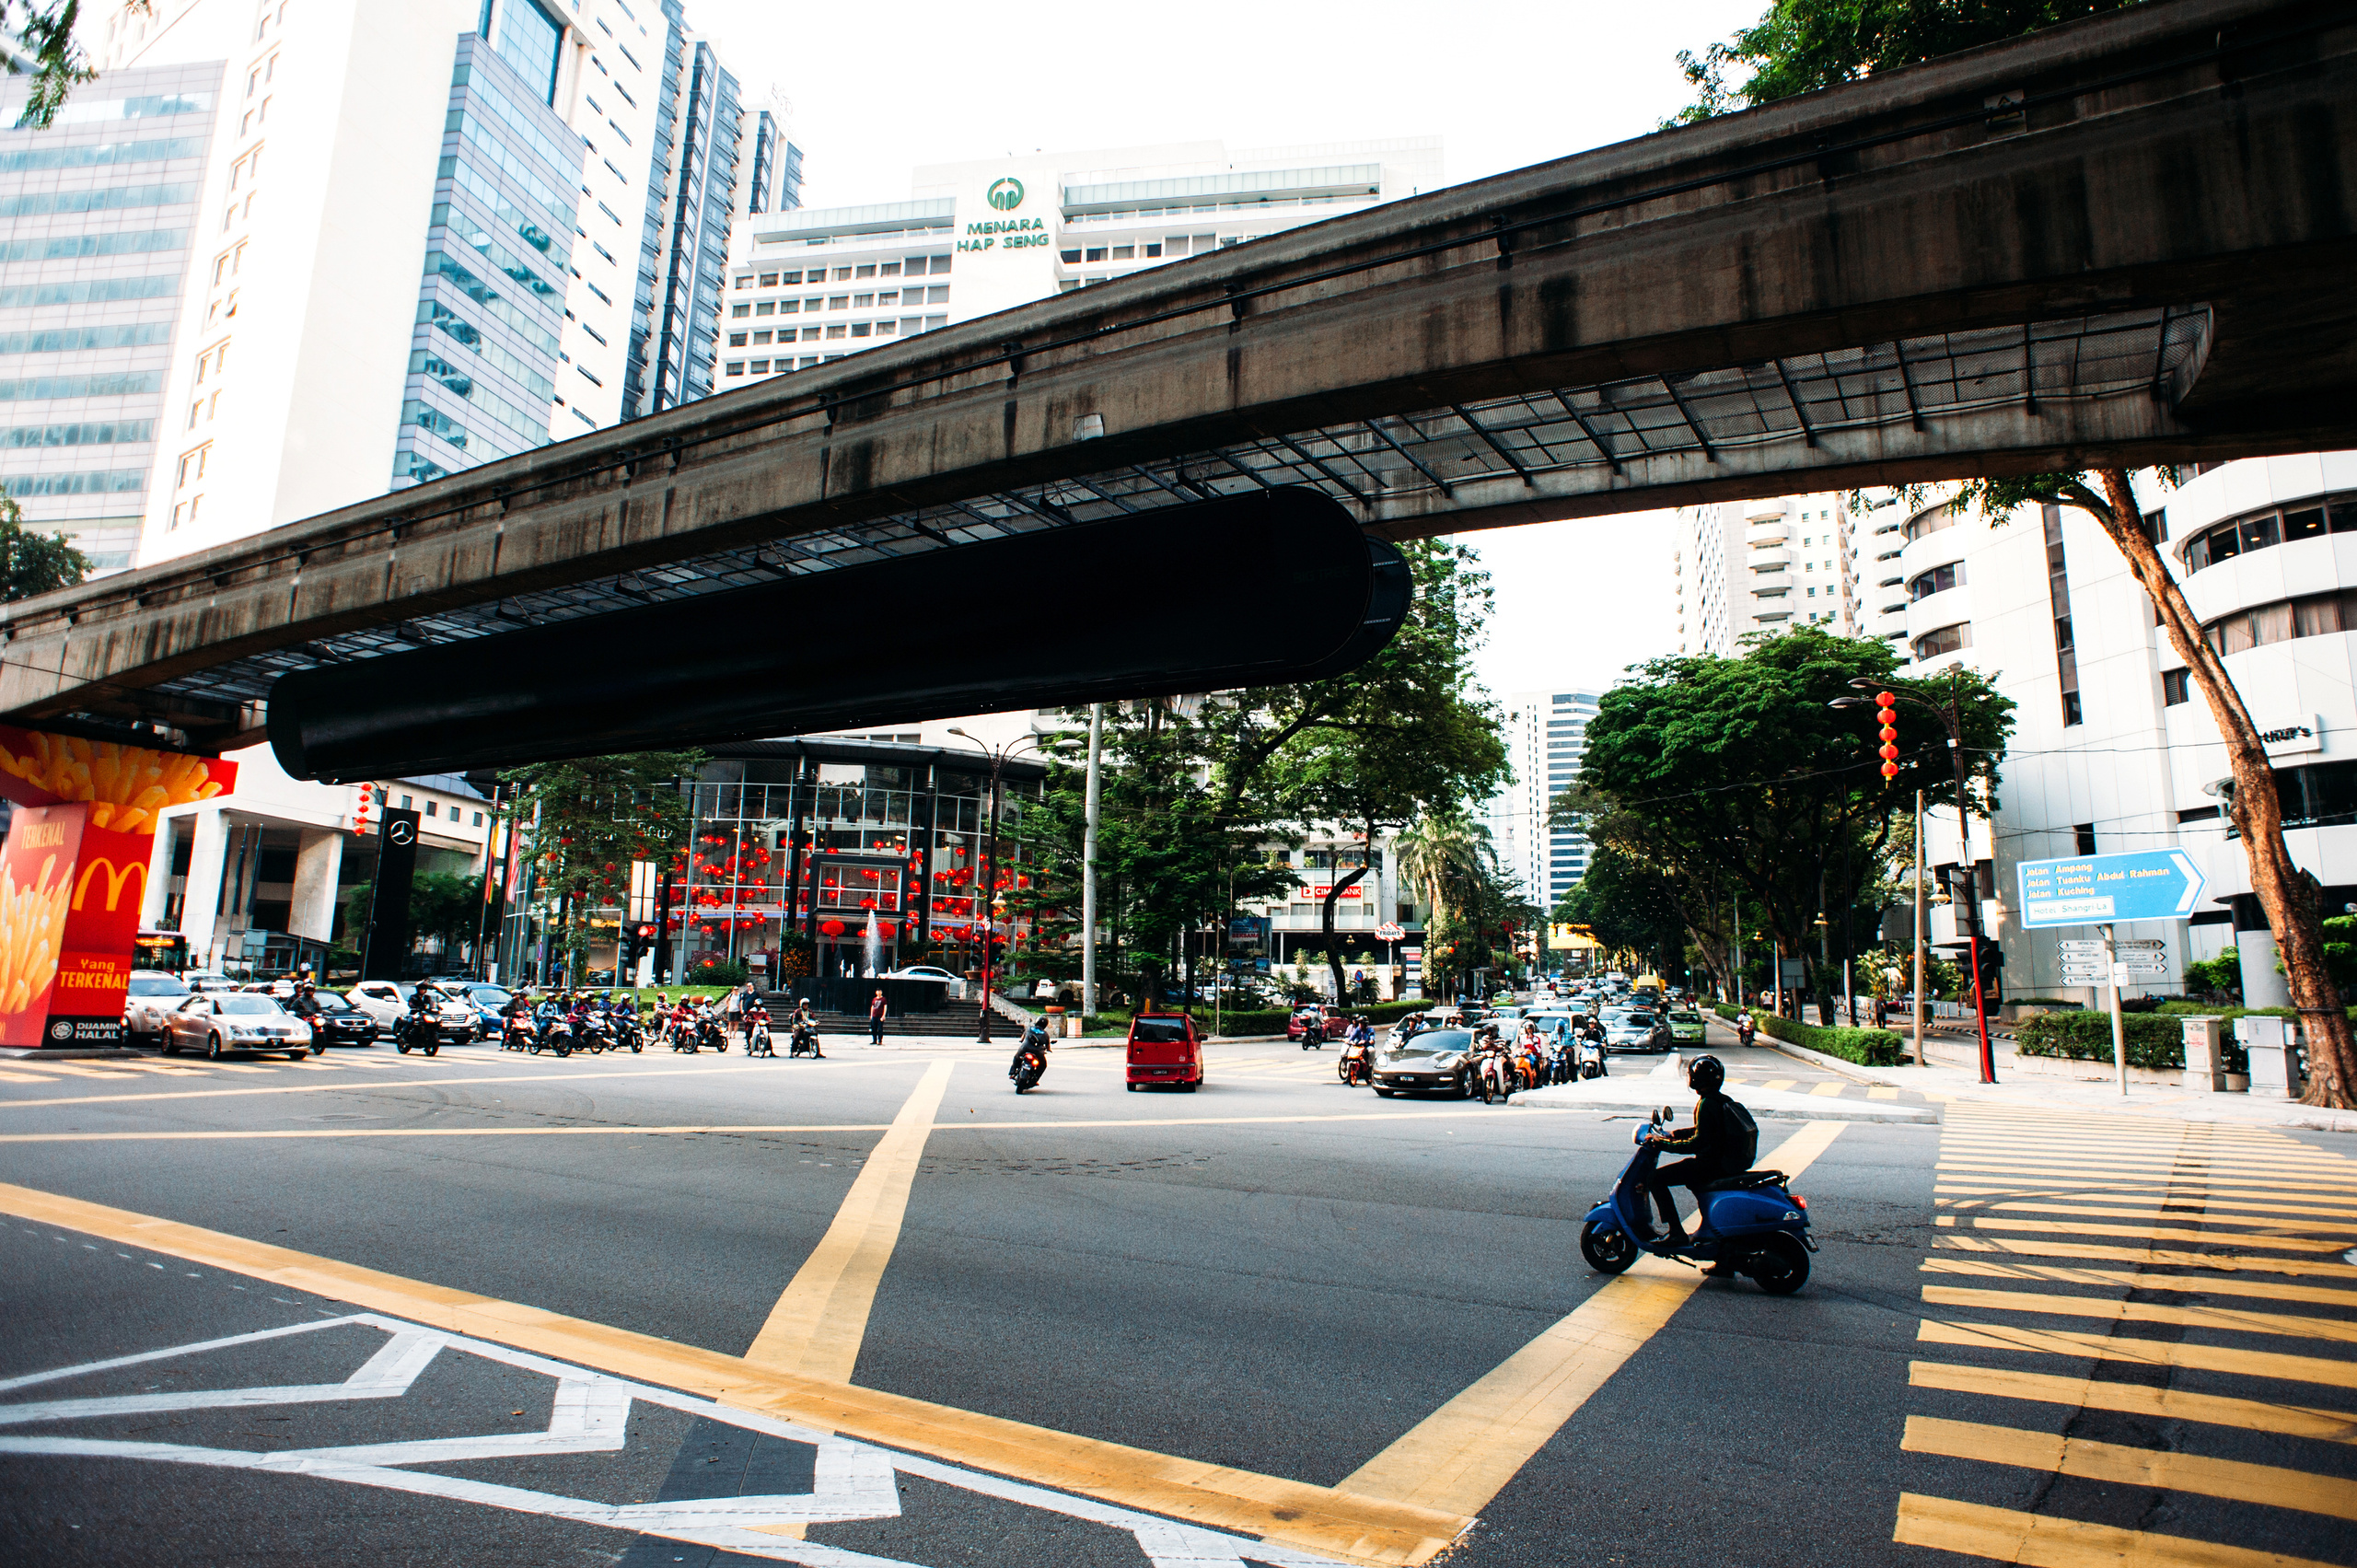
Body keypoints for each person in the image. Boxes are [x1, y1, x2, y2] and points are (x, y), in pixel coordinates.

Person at [1643, 1055, 1759, 1261]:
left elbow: (1698, 1142)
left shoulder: (1706, 1104)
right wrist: (1675, 1134)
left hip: (1710, 1165)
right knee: (1690, 1177)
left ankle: (1676, 1232)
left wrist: (1663, 1144)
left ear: (1695, 1079)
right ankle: (1722, 1258)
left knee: (1655, 1178)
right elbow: (1705, 1131)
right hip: (1722, 1163)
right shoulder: (1723, 1100)